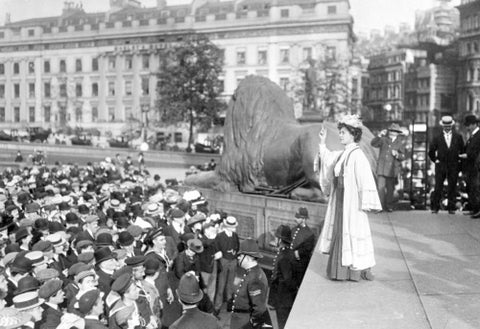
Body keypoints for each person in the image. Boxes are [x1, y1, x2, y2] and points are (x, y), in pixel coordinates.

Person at [317, 114, 381, 281]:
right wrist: (322, 143)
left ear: (353, 134)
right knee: (340, 230)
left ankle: (352, 271)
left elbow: (365, 179)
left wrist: (367, 201)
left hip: (351, 202)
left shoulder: (358, 155)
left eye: (343, 133)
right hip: (340, 200)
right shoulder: (343, 153)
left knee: (351, 231)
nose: (340, 135)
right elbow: (328, 159)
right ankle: (340, 271)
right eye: (340, 132)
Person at [229, 239, 271, 329]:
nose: (238, 257)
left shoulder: (255, 278)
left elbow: (259, 308)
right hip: (240, 319)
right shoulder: (252, 272)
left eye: (240, 255)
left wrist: (251, 323)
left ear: (247, 257)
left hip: (244, 323)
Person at [428, 115, 465, 214]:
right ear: (442, 126)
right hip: (441, 166)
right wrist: (435, 160)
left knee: (452, 187)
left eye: (449, 126)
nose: (447, 128)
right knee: (438, 187)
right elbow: (431, 151)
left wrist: (459, 162)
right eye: (445, 126)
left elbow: (463, 150)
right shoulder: (437, 137)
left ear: (451, 126)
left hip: (454, 166)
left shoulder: (458, 137)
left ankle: (451, 208)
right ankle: (435, 207)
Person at [370, 122, 406, 212]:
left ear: (397, 133)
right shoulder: (383, 139)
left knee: (390, 189)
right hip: (381, 168)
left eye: (394, 131)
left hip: (392, 170)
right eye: (391, 130)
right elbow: (373, 144)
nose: (392, 132)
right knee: (380, 188)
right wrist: (379, 135)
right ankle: (380, 206)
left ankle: (389, 206)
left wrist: (397, 154)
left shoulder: (399, 143)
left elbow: (403, 156)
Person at [269, 225, 296, 329]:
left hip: (283, 299)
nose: (275, 239)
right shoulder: (287, 252)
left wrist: (277, 297)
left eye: (276, 237)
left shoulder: (284, 257)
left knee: (282, 324)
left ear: (280, 239)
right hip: (285, 297)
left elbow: (287, 279)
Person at [459, 115, 480, 218]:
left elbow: (475, 151)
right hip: (470, 166)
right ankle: (473, 208)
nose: (467, 128)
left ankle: (478, 209)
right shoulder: (472, 136)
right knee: (470, 188)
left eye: (468, 125)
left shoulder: (478, 135)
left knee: (475, 188)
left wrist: (467, 155)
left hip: (475, 166)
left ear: (473, 124)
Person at [290, 207, 315, 289]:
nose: (295, 219)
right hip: (291, 262)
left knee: (299, 285)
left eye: (297, 217)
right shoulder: (294, 229)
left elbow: (308, 249)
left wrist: (297, 253)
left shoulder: (309, 233)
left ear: (303, 219)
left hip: (300, 264)